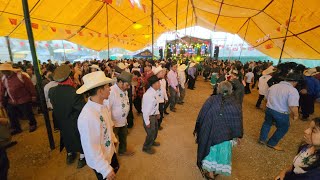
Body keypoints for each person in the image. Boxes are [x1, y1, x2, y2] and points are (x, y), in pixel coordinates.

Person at [194, 81, 243, 179]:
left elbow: (202, 116)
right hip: (226, 136)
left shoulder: (211, 100)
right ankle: (216, 171)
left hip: (211, 134)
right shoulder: (235, 103)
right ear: (230, 90)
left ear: (218, 89)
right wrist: (238, 135)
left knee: (211, 153)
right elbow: (237, 120)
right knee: (221, 154)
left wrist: (199, 130)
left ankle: (210, 173)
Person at [77, 71, 119, 180]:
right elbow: (91, 148)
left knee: (116, 169)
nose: (110, 88)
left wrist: (113, 138)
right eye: (107, 86)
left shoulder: (102, 105)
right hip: (101, 162)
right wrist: (105, 169)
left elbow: (108, 126)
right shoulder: (88, 116)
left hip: (109, 152)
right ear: (100, 91)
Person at [49, 65, 86, 168]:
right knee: (79, 137)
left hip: (61, 120)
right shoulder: (74, 92)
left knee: (66, 136)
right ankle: (82, 157)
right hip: (74, 121)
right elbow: (82, 108)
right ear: (69, 76)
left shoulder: (52, 91)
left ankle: (70, 154)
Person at [259, 72, 302, 151]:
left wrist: (266, 107)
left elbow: (266, 98)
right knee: (283, 128)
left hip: (269, 109)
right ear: (294, 82)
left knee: (267, 123)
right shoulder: (292, 90)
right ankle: (272, 143)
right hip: (281, 113)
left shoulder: (274, 86)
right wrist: (296, 115)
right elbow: (293, 105)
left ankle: (262, 139)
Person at [0, 63, 37, 135]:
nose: (3, 72)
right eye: (2, 71)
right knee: (11, 114)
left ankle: (32, 124)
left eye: (4, 71)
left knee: (28, 112)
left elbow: (30, 86)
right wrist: (1, 100)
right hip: (12, 100)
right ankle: (16, 128)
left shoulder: (21, 76)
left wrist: (33, 95)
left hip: (23, 98)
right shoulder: (4, 79)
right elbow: (2, 90)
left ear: (9, 70)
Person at [108, 71, 135, 156]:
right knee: (112, 142)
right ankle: (111, 158)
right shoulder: (112, 91)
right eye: (127, 85)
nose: (128, 87)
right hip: (114, 123)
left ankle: (122, 151)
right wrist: (110, 123)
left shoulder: (124, 90)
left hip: (123, 120)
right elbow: (107, 109)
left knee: (123, 137)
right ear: (120, 82)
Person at [142, 75, 161, 155]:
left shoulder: (154, 92)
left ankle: (152, 141)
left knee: (155, 130)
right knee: (150, 133)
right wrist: (147, 122)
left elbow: (155, 104)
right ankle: (146, 147)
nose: (159, 84)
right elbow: (145, 110)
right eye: (157, 82)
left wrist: (157, 113)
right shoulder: (148, 95)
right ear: (153, 84)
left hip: (153, 115)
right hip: (149, 116)